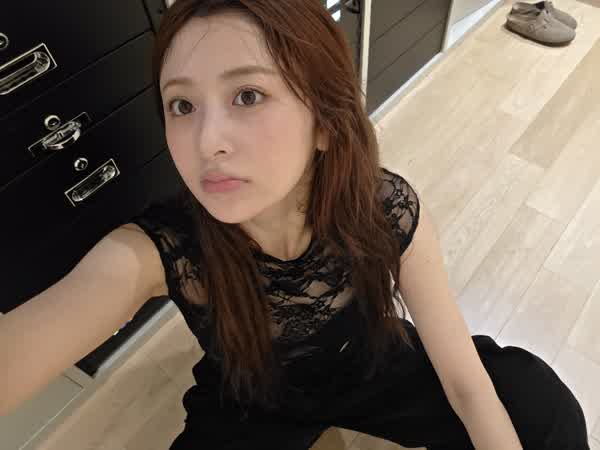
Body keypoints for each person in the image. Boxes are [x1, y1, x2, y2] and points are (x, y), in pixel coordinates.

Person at [0, 1, 589, 449]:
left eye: (247, 95)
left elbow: (463, 382)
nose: (207, 142)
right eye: (182, 105)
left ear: (324, 122)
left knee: (537, 405)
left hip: (373, 365)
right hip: (249, 400)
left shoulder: (383, 207)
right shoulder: (159, 250)